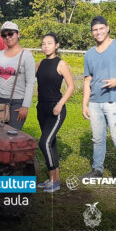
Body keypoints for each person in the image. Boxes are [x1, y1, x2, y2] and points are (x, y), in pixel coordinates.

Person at [82, 16, 116, 193]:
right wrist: (84, 103)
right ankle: (97, 170)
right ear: (92, 32)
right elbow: (88, 79)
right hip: (95, 103)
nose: (98, 32)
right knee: (97, 139)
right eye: (95, 30)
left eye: (101, 28)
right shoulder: (89, 53)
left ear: (108, 28)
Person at [36, 33, 75, 193]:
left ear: (56, 45)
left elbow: (71, 86)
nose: (46, 46)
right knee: (51, 143)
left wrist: (60, 104)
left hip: (56, 109)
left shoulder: (61, 64)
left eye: (49, 43)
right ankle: (54, 178)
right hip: (41, 109)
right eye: (43, 43)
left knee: (43, 142)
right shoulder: (40, 63)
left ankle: (54, 181)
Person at [0, 21, 35, 130]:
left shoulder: (26, 56)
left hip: (16, 103)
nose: (7, 37)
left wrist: (25, 106)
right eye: (4, 35)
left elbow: (30, 83)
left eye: (11, 34)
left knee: (12, 136)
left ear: (18, 34)